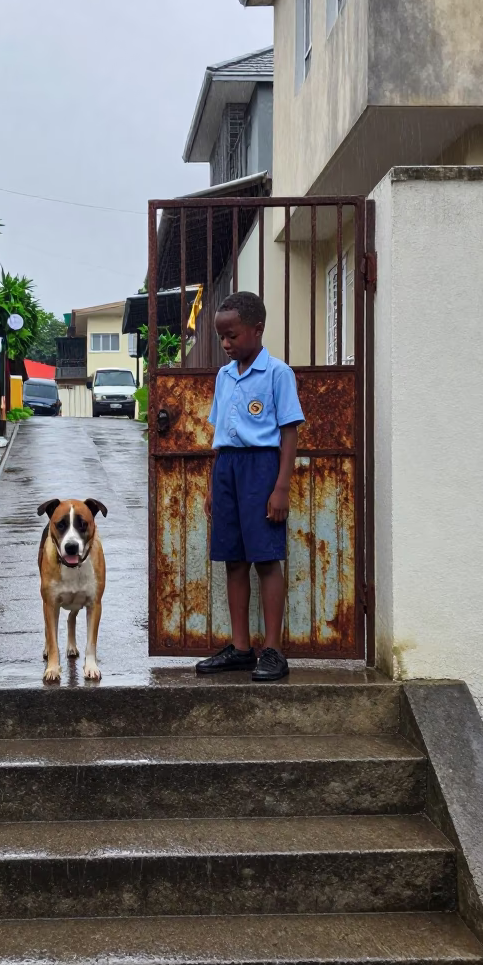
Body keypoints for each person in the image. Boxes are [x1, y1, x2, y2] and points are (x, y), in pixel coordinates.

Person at [196, 291, 304, 681]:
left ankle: (273, 650)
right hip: (228, 467)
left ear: (257, 330)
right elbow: (222, 434)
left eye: (232, 336)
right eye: (221, 337)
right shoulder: (224, 376)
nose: (226, 344)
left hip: (262, 468)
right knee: (234, 560)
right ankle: (241, 648)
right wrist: (214, 485)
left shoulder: (277, 373)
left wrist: (281, 487)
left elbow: (289, 432)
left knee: (266, 559)